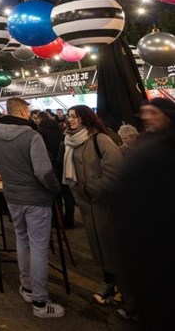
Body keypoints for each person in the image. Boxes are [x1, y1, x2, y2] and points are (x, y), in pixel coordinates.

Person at [0, 97, 64, 319]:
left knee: (22, 241)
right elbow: (43, 171)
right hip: (36, 198)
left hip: (12, 196)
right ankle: (41, 302)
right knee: (39, 248)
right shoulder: (31, 135)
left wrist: (0, 166)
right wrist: (55, 189)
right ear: (23, 112)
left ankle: (27, 288)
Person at [111, 98, 175, 327]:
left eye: (153, 112)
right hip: (141, 239)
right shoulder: (146, 144)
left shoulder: (163, 147)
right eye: (144, 113)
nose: (147, 117)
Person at [60, 105, 124, 306]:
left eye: (75, 117)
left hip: (104, 203)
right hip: (86, 205)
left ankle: (120, 286)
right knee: (99, 247)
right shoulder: (70, 140)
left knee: (111, 246)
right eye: (70, 116)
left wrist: (93, 189)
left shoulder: (100, 139)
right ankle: (110, 281)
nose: (71, 120)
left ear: (86, 118)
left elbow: (115, 171)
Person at [36, 111, 74, 228]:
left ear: (39, 120)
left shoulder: (39, 133)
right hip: (64, 164)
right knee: (68, 194)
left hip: (50, 166)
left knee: (54, 194)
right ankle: (69, 221)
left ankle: (57, 220)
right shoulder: (60, 130)